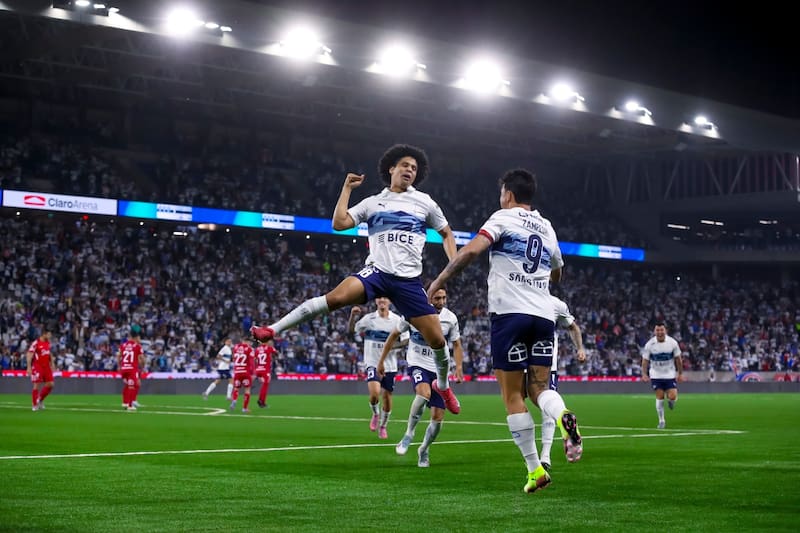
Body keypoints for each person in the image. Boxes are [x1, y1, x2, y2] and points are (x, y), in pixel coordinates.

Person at [251, 144, 461, 413]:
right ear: (392, 168)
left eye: (414, 168)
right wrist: (347, 189)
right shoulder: (373, 202)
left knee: (437, 341)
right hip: (377, 272)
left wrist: (450, 267)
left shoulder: (425, 202)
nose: (410, 169)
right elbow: (339, 224)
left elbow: (447, 234)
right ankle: (273, 329)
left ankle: (442, 387)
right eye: (406, 165)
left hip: (408, 281)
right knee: (335, 298)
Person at [428, 168, 582, 493]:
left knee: (512, 395)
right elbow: (558, 271)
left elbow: (471, 251)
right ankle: (563, 414)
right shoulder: (547, 226)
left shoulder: (502, 217)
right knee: (539, 389)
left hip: (510, 316)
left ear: (508, 194)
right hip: (543, 316)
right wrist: (542, 282)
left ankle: (533, 470)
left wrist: (439, 281)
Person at [379, 287, 463, 468]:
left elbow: (456, 344)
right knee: (423, 392)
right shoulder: (413, 313)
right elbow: (394, 335)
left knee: (438, 418)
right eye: (437, 298)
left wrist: (459, 367)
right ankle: (409, 434)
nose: (441, 302)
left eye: (444, 298)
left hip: (439, 370)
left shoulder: (450, 319)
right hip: (418, 364)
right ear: (428, 298)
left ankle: (424, 449)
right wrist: (381, 361)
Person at [539, 295, 586, 471]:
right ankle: (544, 456)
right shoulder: (555, 303)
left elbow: (572, 326)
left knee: (516, 403)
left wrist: (580, 347)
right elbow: (572, 326)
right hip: (540, 363)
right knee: (544, 405)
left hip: (538, 363)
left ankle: (544, 457)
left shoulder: (555, 304)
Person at [349, 297, 407, 439]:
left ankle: (383, 426)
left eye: (385, 298)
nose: (382, 300)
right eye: (379, 298)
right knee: (375, 394)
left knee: (387, 398)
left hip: (390, 365)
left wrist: (393, 346)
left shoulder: (397, 320)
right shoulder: (368, 319)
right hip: (372, 363)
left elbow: (406, 340)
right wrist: (352, 316)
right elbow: (351, 331)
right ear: (376, 301)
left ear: (390, 301)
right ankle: (375, 414)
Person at [641, 322, 683, 429]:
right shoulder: (649, 344)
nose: (659, 332)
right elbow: (645, 360)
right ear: (655, 332)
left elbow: (678, 359)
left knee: (672, 396)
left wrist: (680, 373)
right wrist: (644, 374)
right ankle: (661, 421)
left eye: (661, 330)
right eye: (657, 330)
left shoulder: (673, 343)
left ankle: (671, 401)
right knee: (659, 397)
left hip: (669, 374)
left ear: (665, 331)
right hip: (656, 374)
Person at [117, 325, 145, 411]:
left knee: (129, 385)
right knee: (132, 385)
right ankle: (130, 405)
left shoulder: (123, 345)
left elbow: (119, 356)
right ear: (136, 337)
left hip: (124, 368)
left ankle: (125, 402)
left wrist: (119, 366)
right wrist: (142, 367)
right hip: (132, 369)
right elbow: (142, 359)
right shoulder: (137, 346)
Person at [26, 330, 54, 411]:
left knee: (51, 384)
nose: (50, 336)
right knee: (36, 385)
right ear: (44, 334)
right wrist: (29, 367)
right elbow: (29, 354)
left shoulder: (47, 343)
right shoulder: (36, 343)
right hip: (38, 366)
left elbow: (49, 353)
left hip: (46, 366)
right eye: (49, 335)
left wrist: (52, 363)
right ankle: (34, 405)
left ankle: (40, 400)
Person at [229, 338, 255, 413]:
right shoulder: (249, 349)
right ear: (246, 341)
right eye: (249, 342)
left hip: (237, 372)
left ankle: (234, 400)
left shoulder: (236, 347)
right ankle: (244, 408)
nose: (250, 343)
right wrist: (252, 373)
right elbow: (251, 362)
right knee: (247, 390)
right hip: (245, 372)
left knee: (236, 388)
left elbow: (234, 359)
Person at [254, 339, 276, 408]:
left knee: (261, 385)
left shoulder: (257, 349)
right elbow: (276, 353)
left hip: (258, 369)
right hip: (265, 370)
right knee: (265, 386)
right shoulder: (269, 348)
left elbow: (254, 359)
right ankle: (261, 401)